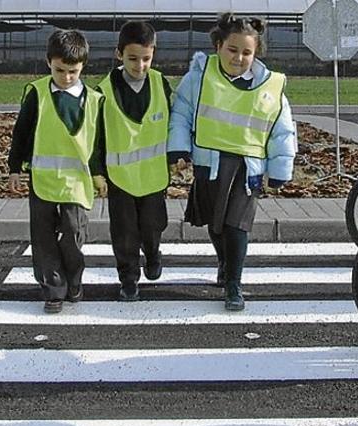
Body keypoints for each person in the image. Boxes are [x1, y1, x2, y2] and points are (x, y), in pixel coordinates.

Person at [169, 13, 297, 311]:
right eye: (232, 49)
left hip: (247, 168)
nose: (239, 58)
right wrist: (177, 150)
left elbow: (282, 130)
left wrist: (280, 170)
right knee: (215, 226)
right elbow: (181, 114)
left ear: (256, 54)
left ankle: (234, 284)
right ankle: (224, 262)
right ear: (218, 46)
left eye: (247, 52)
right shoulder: (199, 76)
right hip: (208, 163)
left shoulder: (271, 85)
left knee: (237, 225)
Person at [7, 29, 104, 314]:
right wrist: (15, 168)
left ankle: (74, 280)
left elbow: (97, 142)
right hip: (43, 180)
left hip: (76, 182)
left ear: (83, 65)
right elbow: (21, 133)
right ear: (48, 62)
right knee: (43, 238)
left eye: (73, 71)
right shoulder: (36, 94)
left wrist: (98, 174)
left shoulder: (95, 99)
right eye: (60, 70)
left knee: (74, 233)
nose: (66, 77)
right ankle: (53, 289)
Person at [96, 21, 173, 302]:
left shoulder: (160, 83)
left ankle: (153, 253)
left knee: (153, 227)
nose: (140, 65)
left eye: (146, 58)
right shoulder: (103, 91)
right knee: (125, 234)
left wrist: (176, 157)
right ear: (119, 55)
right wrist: (97, 172)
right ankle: (128, 278)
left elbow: (172, 123)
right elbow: (96, 137)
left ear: (153, 54)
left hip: (153, 177)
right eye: (132, 59)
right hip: (120, 179)